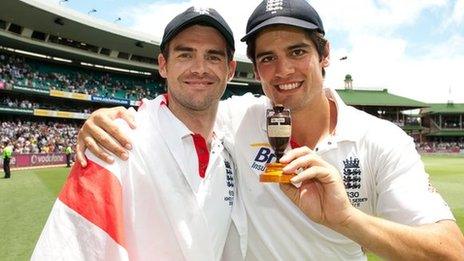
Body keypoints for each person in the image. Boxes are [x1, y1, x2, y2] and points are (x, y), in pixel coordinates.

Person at [76, 0, 464, 260]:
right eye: (267, 58)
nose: (283, 72)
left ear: (324, 54)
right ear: (253, 68)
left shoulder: (380, 140)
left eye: (297, 52)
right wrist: (108, 119)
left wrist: (346, 220)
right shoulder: (239, 117)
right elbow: (182, 106)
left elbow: (450, 250)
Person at [32, 7, 245, 260]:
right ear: (163, 65)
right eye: (185, 55)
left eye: (213, 57)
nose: (199, 68)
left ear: (230, 70)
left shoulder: (233, 141)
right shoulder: (113, 142)